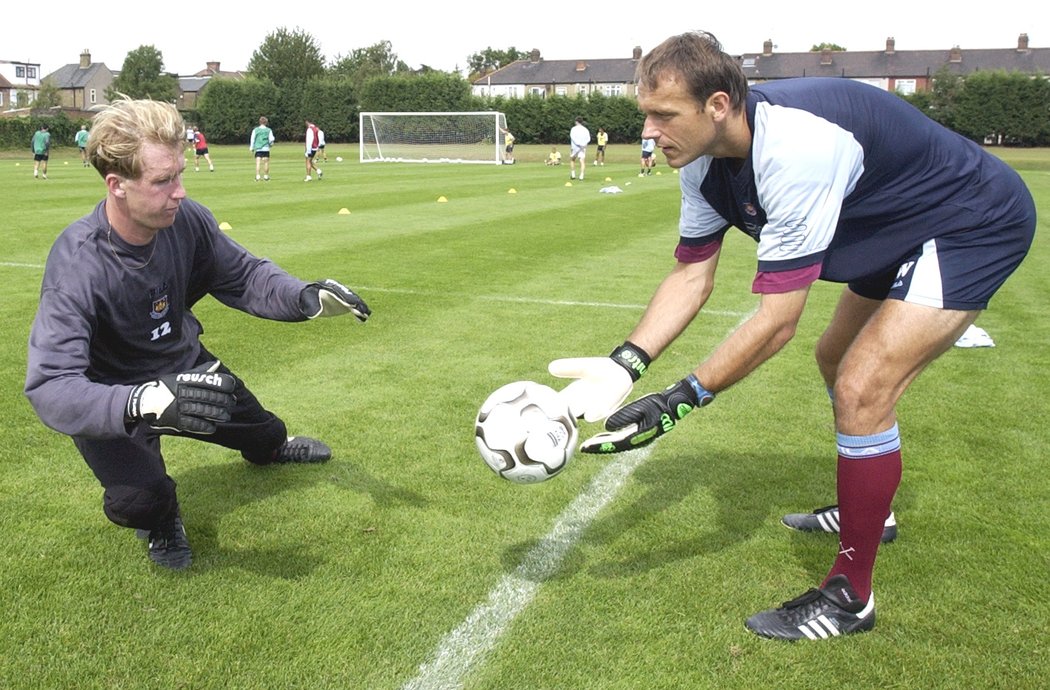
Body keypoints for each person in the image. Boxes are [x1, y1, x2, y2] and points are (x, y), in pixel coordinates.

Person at [548, 31, 1035, 641]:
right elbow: (692, 274)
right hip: (890, 223)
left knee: (863, 387)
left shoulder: (795, 148)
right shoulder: (700, 161)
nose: (647, 131)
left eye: (663, 115)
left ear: (718, 106)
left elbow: (777, 321)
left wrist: (680, 399)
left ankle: (850, 597)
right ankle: (872, 510)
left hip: (970, 220)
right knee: (835, 358)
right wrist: (626, 364)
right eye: (645, 113)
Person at [23, 98, 372, 571]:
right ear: (117, 185)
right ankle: (164, 517)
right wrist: (137, 402)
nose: (180, 192)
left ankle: (268, 449)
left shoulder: (185, 221)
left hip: (182, 368)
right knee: (139, 502)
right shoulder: (78, 265)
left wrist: (304, 298)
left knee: (267, 432)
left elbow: (244, 275)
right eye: (163, 181)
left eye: (180, 174)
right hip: (114, 393)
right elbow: (50, 385)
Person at [250, 116, 275, 181]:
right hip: (266, 148)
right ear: (266, 122)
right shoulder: (268, 130)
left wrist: (251, 147)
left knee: (258, 162)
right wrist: (271, 144)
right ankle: (266, 176)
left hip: (258, 148)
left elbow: (252, 139)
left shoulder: (255, 130)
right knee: (266, 162)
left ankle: (258, 176)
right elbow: (271, 139)